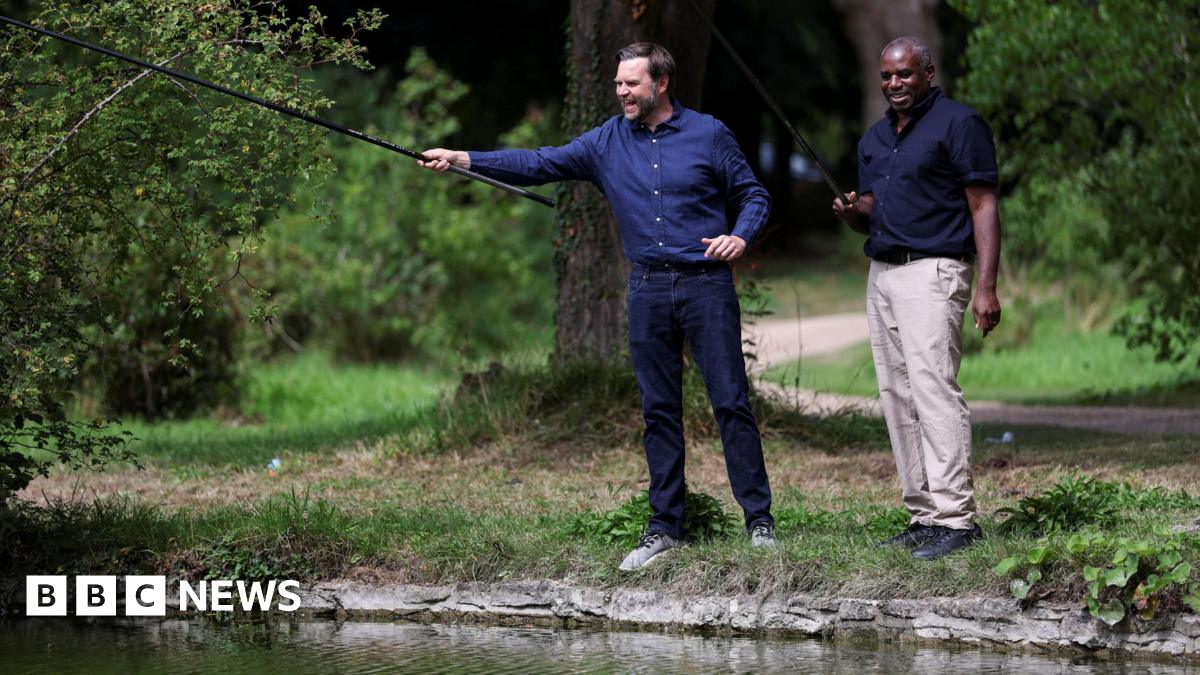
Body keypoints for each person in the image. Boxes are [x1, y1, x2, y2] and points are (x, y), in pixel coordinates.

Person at [419, 42, 775, 571]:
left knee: (729, 402)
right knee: (659, 411)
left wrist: (740, 238)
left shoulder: (708, 134)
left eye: (631, 83)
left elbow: (754, 196)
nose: (621, 92)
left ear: (661, 84)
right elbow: (539, 162)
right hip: (648, 289)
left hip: (705, 286)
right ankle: (664, 528)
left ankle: (759, 523)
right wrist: (465, 158)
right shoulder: (607, 141)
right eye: (617, 84)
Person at [832, 35, 1001, 560]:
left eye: (904, 74)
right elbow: (874, 209)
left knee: (933, 391)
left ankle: (957, 519)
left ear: (927, 71)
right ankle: (923, 514)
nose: (894, 84)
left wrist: (987, 287)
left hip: (934, 272)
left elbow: (983, 206)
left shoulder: (959, 124)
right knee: (896, 396)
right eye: (886, 76)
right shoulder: (876, 138)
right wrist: (852, 211)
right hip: (882, 272)